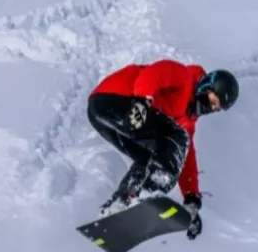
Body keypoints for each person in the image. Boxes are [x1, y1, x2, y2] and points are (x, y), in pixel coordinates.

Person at [87, 59, 239, 239]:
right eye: (212, 100)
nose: (210, 107)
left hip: (101, 115)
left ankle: (119, 205)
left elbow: (185, 157)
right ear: (206, 86)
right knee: (176, 138)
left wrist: (191, 198)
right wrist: (142, 102)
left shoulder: (186, 121)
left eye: (216, 107)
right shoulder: (185, 78)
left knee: (151, 157)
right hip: (117, 98)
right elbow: (154, 73)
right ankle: (149, 192)